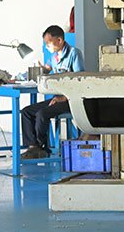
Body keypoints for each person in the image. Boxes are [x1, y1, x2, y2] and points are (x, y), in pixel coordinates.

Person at [20, 25, 84, 160]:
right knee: (26, 112)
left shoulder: (74, 54)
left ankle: (42, 146)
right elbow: (47, 69)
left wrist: (64, 98)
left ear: (59, 40)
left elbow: (80, 81)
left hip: (71, 100)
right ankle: (33, 146)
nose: (47, 46)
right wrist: (39, 69)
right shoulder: (54, 56)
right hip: (57, 98)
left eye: (48, 43)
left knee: (42, 114)